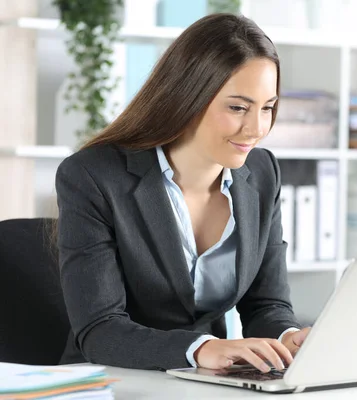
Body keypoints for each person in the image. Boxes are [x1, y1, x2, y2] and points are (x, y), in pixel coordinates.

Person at [55, 13, 310, 372]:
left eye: (267, 108)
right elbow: (100, 329)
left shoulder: (262, 174)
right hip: (110, 380)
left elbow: (266, 305)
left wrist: (286, 339)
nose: (256, 129)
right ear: (188, 98)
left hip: (207, 381)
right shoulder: (94, 176)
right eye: (238, 107)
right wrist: (200, 349)